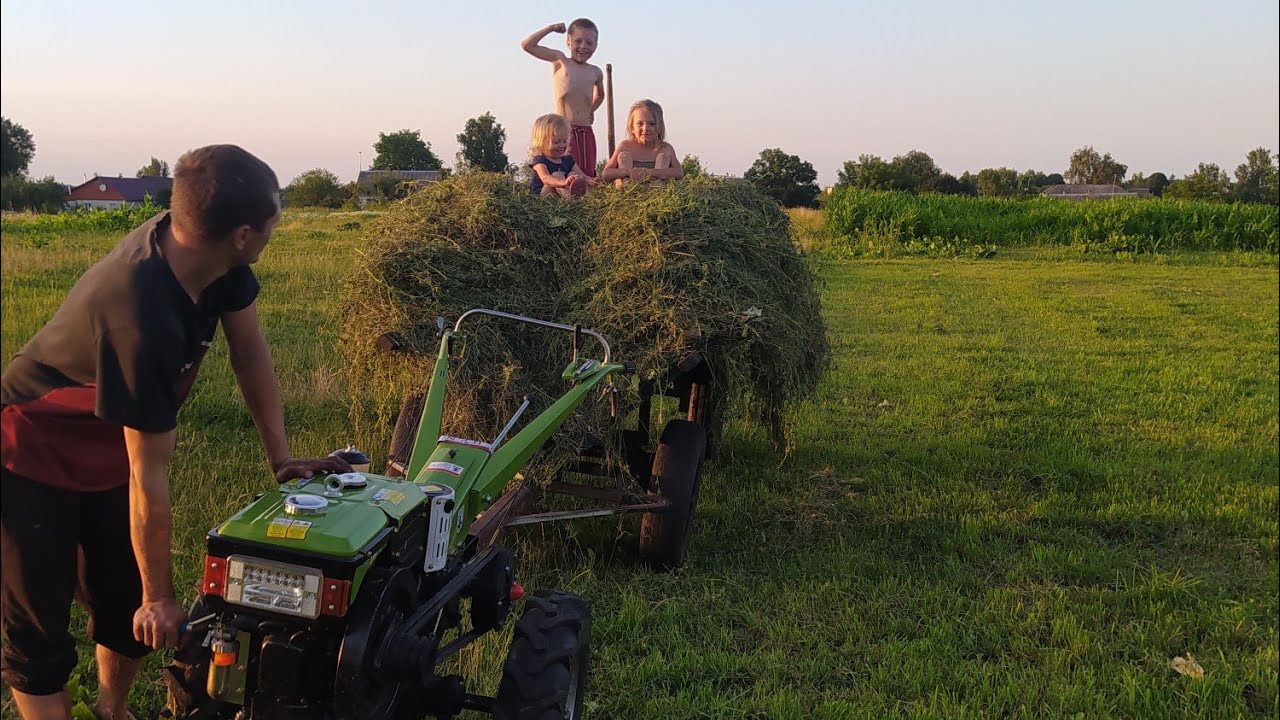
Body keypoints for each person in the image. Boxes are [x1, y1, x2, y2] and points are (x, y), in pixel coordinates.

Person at [0, 144, 351, 720]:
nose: (272, 233)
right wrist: (161, 596)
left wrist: (281, 457)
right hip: (33, 448)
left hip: (109, 443)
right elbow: (149, 475)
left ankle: (114, 711)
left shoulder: (216, 259)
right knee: (38, 627)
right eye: (271, 224)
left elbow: (249, 351)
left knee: (122, 601)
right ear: (242, 233)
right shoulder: (143, 315)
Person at [520, 18, 605, 179]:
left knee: (587, 175)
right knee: (567, 174)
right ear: (568, 42)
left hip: (586, 131)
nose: (583, 47)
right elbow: (527, 45)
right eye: (578, 41)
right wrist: (551, 28)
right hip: (564, 132)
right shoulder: (560, 61)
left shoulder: (595, 72)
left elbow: (600, 95)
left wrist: (591, 109)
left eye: (589, 42)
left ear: (596, 45)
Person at [601, 99, 684, 187]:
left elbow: (678, 172)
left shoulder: (665, 148)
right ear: (632, 128)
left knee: (663, 157)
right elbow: (606, 173)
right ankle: (627, 186)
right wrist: (628, 172)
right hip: (630, 191)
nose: (645, 128)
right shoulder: (625, 146)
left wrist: (651, 173)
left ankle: (656, 188)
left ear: (659, 127)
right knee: (624, 156)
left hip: (656, 193)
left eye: (651, 124)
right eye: (640, 124)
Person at [528, 113, 597, 198]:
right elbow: (546, 179)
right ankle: (572, 199)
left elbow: (582, 174)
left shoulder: (567, 159)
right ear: (542, 142)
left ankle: (586, 196)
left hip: (560, 194)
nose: (561, 145)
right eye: (556, 142)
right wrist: (562, 183)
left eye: (564, 141)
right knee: (556, 174)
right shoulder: (540, 160)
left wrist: (592, 181)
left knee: (574, 174)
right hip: (543, 196)